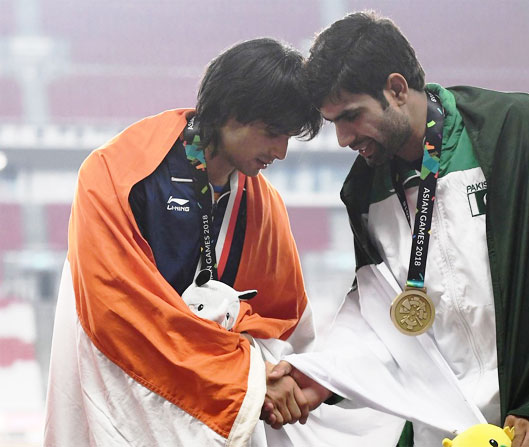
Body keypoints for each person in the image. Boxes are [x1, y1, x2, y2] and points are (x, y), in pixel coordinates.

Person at [267, 11, 529, 447]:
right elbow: (383, 313)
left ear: (397, 89)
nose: (343, 138)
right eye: (334, 123)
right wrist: (323, 374)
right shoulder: (366, 191)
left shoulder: (524, 134)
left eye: (351, 116)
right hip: (451, 430)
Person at [43, 38, 322, 446]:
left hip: (215, 397)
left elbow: (285, 322)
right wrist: (248, 381)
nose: (280, 152)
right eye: (272, 133)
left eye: (288, 137)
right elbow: (118, 315)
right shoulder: (117, 174)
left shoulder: (264, 204)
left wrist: (280, 381)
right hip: (128, 386)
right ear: (232, 111)